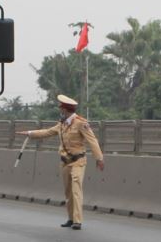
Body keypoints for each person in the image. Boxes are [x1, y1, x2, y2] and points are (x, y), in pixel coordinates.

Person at [17, 94, 105, 230]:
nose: (60, 110)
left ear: (66, 110)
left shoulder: (81, 123)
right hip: (65, 162)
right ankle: (70, 218)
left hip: (78, 161)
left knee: (76, 189)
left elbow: (92, 140)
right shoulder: (61, 124)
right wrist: (29, 133)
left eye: (61, 108)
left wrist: (99, 158)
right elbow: (47, 132)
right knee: (68, 192)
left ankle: (77, 221)